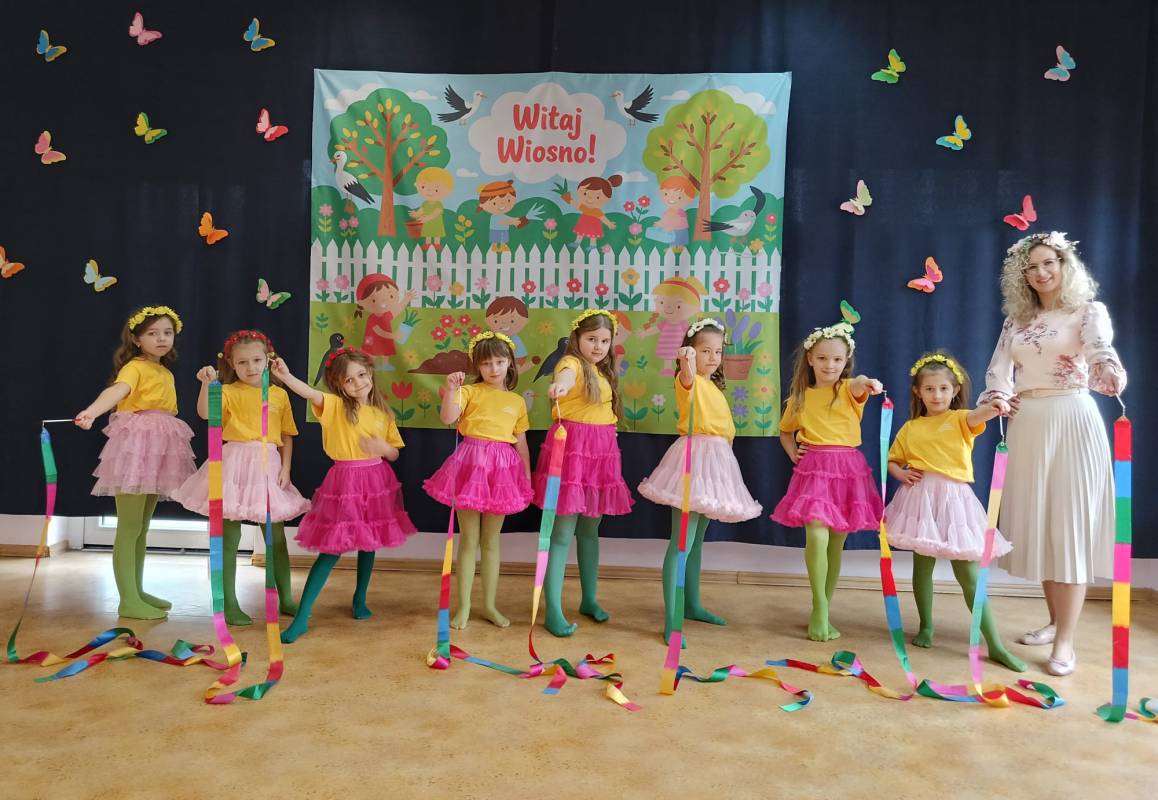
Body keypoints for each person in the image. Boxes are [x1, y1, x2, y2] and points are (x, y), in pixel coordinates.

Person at [979, 231, 1126, 676]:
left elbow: (1100, 351)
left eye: (1049, 263)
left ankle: (1065, 642)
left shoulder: (1088, 311)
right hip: (1028, 424)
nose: (1041, 273)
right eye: (1031, 267)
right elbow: (998, 370)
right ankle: (1054, 621)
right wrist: (998, 398)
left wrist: (1108, 370)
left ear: (1065, 265)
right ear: (1021, 275)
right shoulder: (1015, 321)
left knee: (1070, 528)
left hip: (1072, 419)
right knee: (1044, 528)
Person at [885, 352, 1025, 671]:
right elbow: (893, 460)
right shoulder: (911, 427)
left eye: (943, 389)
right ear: (918, 392)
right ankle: (926, 626)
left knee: (969, 575)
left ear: (954, 390)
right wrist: (900, 473)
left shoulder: (961, 419)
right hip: (920, 500)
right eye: (929, 389)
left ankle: (995, 645)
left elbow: (979, 415)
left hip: (955, 501)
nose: (937, 395)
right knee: (922, 568)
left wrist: (996, 405)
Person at [272, 348, 417, 643]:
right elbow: (310, 393)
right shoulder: (336, 406)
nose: (359, 383)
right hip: (346, 482)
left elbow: (393, 452)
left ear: (370, 372)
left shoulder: (383, 413)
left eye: (362, 375)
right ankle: (302, 618)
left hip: (376, 481)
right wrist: (286, 376)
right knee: (332, 549)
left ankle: (359, 599)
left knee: (369, 541)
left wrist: (383, 449)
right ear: (339, 385)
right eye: (349, 380)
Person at [173, 330, 310, 625]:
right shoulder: (227, 391)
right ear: (232, 364)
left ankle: (285, 597)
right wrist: (207, 385)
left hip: (268, 466)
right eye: (242, 362)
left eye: (257, 360)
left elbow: (287, 434)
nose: (250, 367)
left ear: (267, 360)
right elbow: (205, 414)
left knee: (275, 537)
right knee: (228, 536)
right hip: (233, 465)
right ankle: (227, 604)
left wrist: (286, 469)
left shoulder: (279, 394)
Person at [639, 318, 761, 645]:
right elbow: (687, 374)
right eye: (705, 351)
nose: (713, 357)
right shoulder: (688, 380)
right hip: (693, 461)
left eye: (718, 352)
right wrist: (687, 360)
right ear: (691, 352)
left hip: (716, 465)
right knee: (682, 541)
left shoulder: (713, 388)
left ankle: (691, 604)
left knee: (696, 542)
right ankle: (672, 618)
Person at [74, 305, 196, 620]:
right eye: (153, 333)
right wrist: (92, 412)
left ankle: (137, 590)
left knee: (141, 526)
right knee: (129, 526)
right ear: (137, 339)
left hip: (160, 448)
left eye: (167, 333)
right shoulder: (134, 367)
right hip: (137, 449)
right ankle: (127, 600)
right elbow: (118, 391)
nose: (162, 338)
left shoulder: (165, 372)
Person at [770, 319, 884, 641]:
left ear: (846, 361)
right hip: (815, 471)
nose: (829, 365)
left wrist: (867, 382)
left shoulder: (848, 389)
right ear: (810, 359)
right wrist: (794, 454)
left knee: (836, 543)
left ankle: (824, 609)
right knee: (817, 537)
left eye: (837, 359)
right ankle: (819, 608)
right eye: (822, 358)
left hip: (847, 470)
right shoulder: (800, 398)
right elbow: (785, 431)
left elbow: (859, 383)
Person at [533, 309, 634, 636]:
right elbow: (565, 376)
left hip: (600, 454)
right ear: (577, 338)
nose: (598, 346)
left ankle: (589, 599)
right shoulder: (571, 363)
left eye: (604, 341)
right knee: (562, 533)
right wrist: (560, 387)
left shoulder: (603, 371)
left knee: (590, 530)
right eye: (592, 339)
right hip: (572, 452)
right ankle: (553, 609)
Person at [424, 331, 532, 629]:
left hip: (502, 473)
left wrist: (526, 476)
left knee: (491, 541)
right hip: (470, 466)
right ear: (477, 366)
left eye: (500, 362)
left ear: (510, 363)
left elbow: (521, 443)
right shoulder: (469, 392)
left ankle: (490, 606)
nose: (494, 368)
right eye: (486, 363)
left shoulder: (516, 402)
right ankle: (464, 607)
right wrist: (450, 390)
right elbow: (448, 418)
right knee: (469, 540)